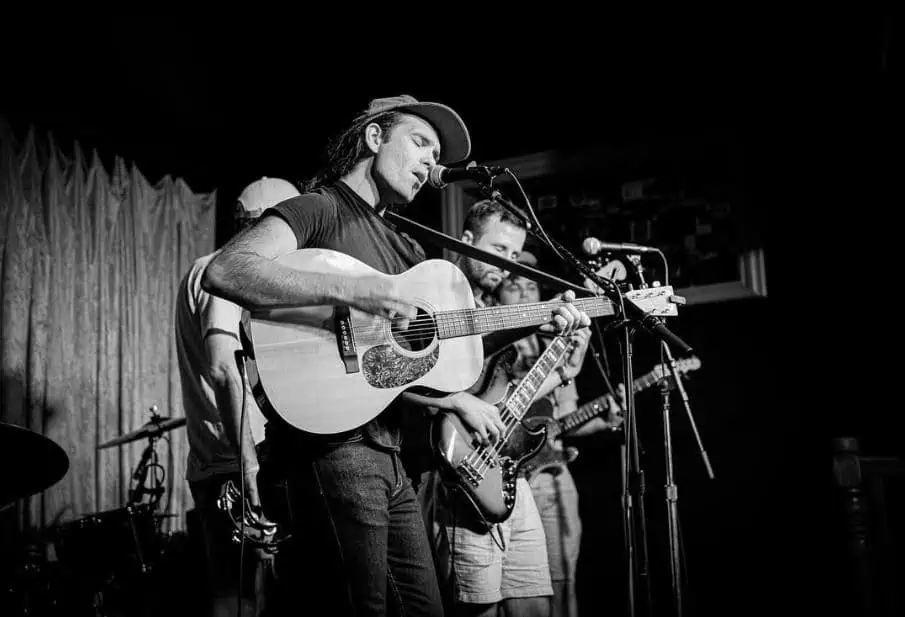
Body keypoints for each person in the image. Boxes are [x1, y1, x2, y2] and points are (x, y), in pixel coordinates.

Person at [199, 94, 590, 617]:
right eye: (420, 142)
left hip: (391, 453)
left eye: (437, 154)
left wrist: (536, 319)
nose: (431, 162)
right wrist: (356, 293)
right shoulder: (322, 208)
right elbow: (227, 270)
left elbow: (445, 352)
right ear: (374, 137)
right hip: (335, 449)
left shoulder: (408, 248)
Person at [417, 202, 592, 617]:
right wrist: (456, 401)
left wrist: (564, 371)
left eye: (514, 254)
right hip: (459, 478)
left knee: (535, 602)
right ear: (466, 241)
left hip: (507, 473)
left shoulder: (492, 311)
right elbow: (400, 383)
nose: (507, 264)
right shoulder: (431, 299)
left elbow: (504, 402)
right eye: (499, 249)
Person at [175, 176, 301, 617]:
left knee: (246, 596)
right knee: (241, 599)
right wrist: (250, 469)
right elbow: (223, 368)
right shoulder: (226, 270)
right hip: (237, 466)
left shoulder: (209, 269)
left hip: (225, 463)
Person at [497, 252, 625, 617]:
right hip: (503, 469)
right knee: (514, 587)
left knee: (562, 577)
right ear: (497, 295)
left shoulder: (554, 344)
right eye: (514, 285)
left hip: (552, 472)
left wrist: (608, 419)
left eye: (531, 286)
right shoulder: (493, 340)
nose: (524, 293)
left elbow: (565, 418)